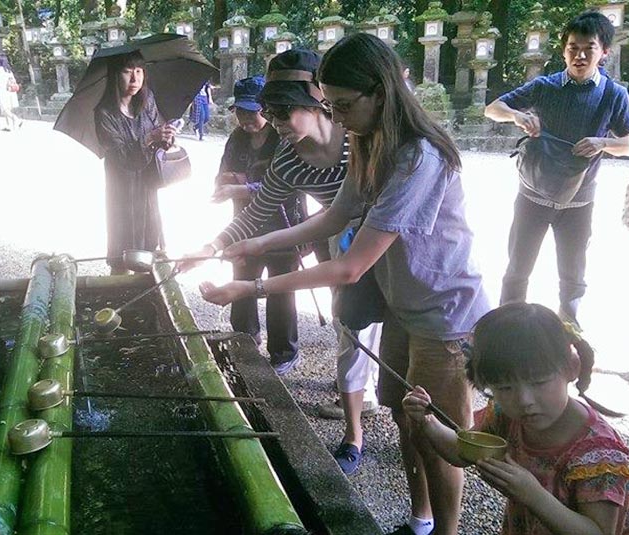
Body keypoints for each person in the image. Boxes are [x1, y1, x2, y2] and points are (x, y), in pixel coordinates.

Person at [200, 33, 490, 535]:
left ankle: (446, 531)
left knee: (439, 436)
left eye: (345, 105)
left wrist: (252, 291)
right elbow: (331, 219)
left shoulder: (417, 156)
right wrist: (251, 244)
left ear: (382, 91)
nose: (337, 117)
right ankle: (421, 521)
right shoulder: (368, 141)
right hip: (403, 305)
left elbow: (350, 267)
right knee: (406, 417)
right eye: (330, 105)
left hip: (445, 314)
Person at [185, 48, 383, 475]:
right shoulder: (290, 158)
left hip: (392, 238)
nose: (275, 123)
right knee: (349, 325)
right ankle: (353, 434)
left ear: (318, 101)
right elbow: (259, 215)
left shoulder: (363, 137)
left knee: (392, 338)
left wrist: (257, 266)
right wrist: (213, 246)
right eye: (269, 114)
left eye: (283, 112)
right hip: (340, 238)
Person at [403, 303, 629, 535]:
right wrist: (428, 422)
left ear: (571, 369)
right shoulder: (505, 415)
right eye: (504, 387)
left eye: (538, 382)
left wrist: (532, 494)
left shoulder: (598, 453)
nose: (524, 400)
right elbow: (462, 451)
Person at [484, 11, 629, 326]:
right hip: (533, 195)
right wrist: (517, 116)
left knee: (573, 279)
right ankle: (506, 331)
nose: (579, 55)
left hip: (579, 201)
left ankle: (569, 335)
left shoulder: (613, 95)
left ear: (604, 52)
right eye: (572, 47)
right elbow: (492, 109)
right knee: (517, 270)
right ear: (563, 49)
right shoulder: (545, 86)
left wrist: (601, 143)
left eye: (589, 48)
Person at [210, 75, 303, 375]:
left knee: (281, 289)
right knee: (243, 284)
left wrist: (241, 187)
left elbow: (286, 185)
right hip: (245, 225)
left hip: (283, 225)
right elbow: (224, 171)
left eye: (253, 111)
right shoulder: (236, 138)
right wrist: (223, 181)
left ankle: (284, 351)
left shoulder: (283, 139)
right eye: (241, 111)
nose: (247, 118)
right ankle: (245, 340)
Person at [94, 51, 178, 274]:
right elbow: (121, 156)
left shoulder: (147, 99)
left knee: (149, 247)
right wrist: (150, 137)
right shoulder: (104, 113)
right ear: (115, 75)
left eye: (139, 71)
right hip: (122, 188)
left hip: (147, 185)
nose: (135, 79)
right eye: (127, 72)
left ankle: (147, 297)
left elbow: (158, 138)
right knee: (122, 251)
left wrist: (166, 137)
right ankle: (118, 295)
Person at [0, 57, 22, 131]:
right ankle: (9, 126)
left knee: (5, 109)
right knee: (8, 109)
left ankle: (16, 119)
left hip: (4, 91)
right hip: (11, 92)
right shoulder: (9, 70)